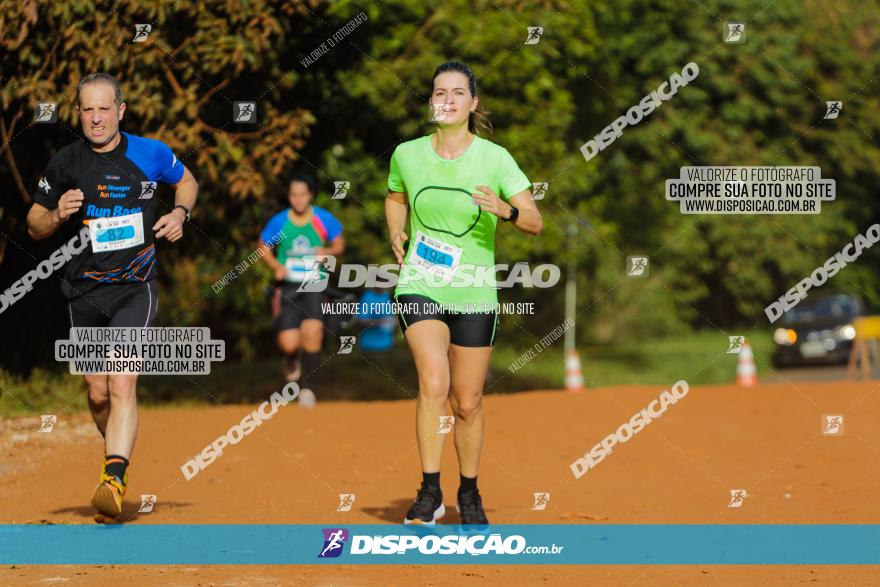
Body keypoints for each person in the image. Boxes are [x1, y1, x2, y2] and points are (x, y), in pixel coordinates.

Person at [26, 73, 198, 521]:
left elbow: (188, 182)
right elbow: (33, 222)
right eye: (88, 110)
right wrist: (55, 213)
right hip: (82, 291)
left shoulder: (151, 153)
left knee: (122, 383)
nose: (97, 118)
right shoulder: (65, 162)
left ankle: (114, 478)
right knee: (98, 393)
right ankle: (114, 451)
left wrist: (180, 212)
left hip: (134, 289)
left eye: (105, 108)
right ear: (78, 114)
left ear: (121, 110)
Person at [384, 61, 543, 525]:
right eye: (439, 92)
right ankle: (429, 492)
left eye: (457, 92)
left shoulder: (495, 158)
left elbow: (535, 221)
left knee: (467, 402)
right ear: (431, 101)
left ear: (473, 104)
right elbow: (395, 195)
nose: (447, 99)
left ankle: (468, 492)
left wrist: (506, 210)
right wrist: (396, 232)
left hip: (474, 291)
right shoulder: (407, 154)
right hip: (420, 284)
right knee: (434, 381)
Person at [259, 173, 344, 408]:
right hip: (288, 285)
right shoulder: (280, 222)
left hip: (315, 283)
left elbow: (339, 244)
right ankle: (291, 359)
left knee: (313, 331)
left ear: (310, 195)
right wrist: (276, 266)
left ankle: (308, 389)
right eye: (293, 195)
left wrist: (326, 252)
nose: (298, 200)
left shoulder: (322, 218)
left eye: (302, 195)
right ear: (289, 197)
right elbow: (263, 246)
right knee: (289, 343)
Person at [356, 287, 396, 352]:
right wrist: (378, 322)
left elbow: (391, 317)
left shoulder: (386, 295)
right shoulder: (367, 296)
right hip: (369, 346)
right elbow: (360, 320)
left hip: (388, 346)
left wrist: (394, 323)